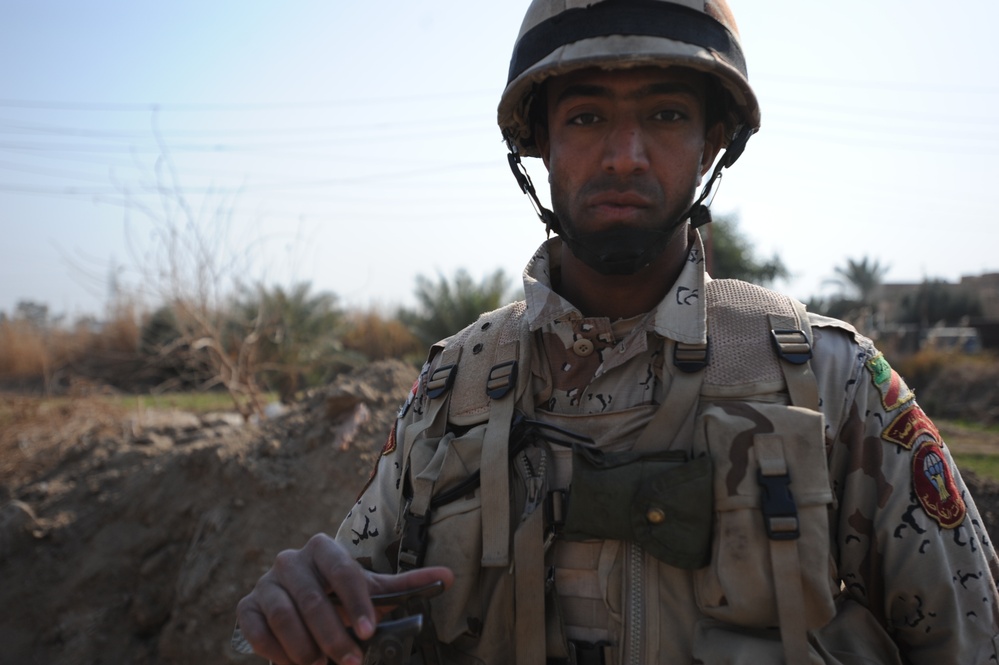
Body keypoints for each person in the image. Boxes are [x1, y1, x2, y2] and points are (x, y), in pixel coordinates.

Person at [235, 1, 999, 663]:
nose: (624, 155)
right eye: (586, 116)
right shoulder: (450, 390)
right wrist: (304, 607)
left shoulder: (826, 379)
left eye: (666, 115)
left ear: (711, 146)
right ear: (537, 144)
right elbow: (346, 603)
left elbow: (971, 638)